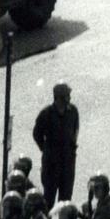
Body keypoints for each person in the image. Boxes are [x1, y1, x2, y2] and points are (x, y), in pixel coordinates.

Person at [33, 82, 80, 210]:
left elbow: (75, 129)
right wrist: (45, 149)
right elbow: (36, 134)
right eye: (67, 95)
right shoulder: (46, 114)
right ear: (60, 97)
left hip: (67, 164)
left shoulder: (73, 111)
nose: (70, 98)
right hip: (51, 166)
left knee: (65, 203)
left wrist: (70, 147)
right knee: (48, 201)